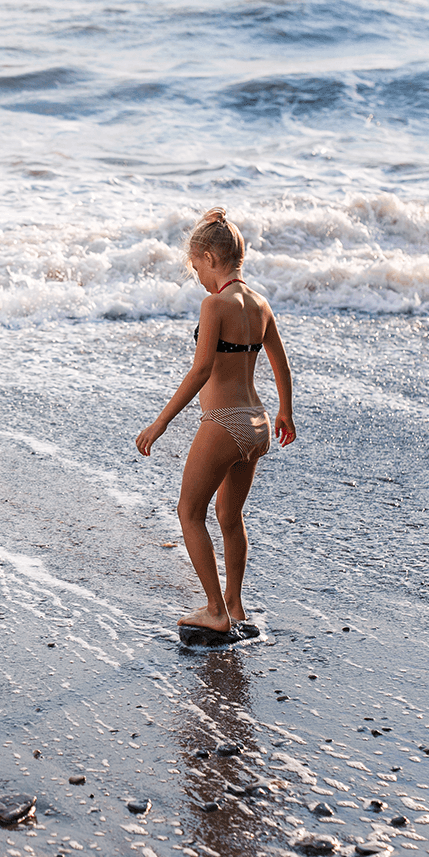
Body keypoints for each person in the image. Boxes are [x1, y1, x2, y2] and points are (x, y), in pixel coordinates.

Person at [135, 208, 295, 636]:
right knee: (229, 515)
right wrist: (285, 412)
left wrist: (160, 423)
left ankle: (215, 610)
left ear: (209, 257)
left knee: (189, 511)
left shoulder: (214, 304)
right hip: (258, 422)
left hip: (224, 421)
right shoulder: (260, 304)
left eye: (196, 267)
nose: (198, 278)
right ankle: (235, 605)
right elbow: (281, 364)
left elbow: (200, 370)